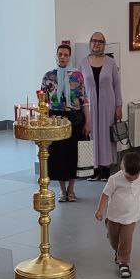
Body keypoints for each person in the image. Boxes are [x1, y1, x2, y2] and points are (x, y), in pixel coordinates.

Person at [95, 149, 140, 278]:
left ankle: (124, 262)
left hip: (131, 217)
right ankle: (118, 250)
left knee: (126, 239)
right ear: (122, 168)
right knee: (114, 239)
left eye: (134, 177)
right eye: (128, 177)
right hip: (114, 216)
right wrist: (100, 210)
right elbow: (105, 194)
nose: (132, 179)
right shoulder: (114, 179)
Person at [42, 40, 89, 201]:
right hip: (56, 118)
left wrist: (88, 121)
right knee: (58, 154)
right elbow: (44, 101)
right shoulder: (49, 76)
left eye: (66, 55)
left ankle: (72, 189)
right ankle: (62, 190)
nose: (63, 57)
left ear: (69, 57)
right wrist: (44, 121)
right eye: (60, 54)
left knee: (72, 154)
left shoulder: (77, 75)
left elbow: (84, 100)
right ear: (56, 56)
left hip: (74, 119)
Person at [81, 31, 123, 180]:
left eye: (100, 41)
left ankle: (106, 169)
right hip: (89, 105)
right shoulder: (83, 63)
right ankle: (94, 169)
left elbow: (117, 85)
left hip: (108, 105)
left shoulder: (110, 63)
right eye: (94, 41)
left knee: (106, 135)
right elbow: (79, 87)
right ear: (90, 43)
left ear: (104, 45)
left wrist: (119, 106)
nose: (96, 44)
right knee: (92, 135)